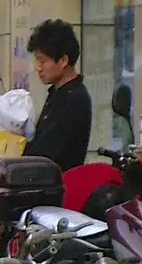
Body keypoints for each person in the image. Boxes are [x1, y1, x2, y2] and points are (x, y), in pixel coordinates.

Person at [24, 18, 92, 171]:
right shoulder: (58, 93)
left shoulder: (74, 99)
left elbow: (46, 152)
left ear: (63, 60)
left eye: (42, 61)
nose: (38, 68)